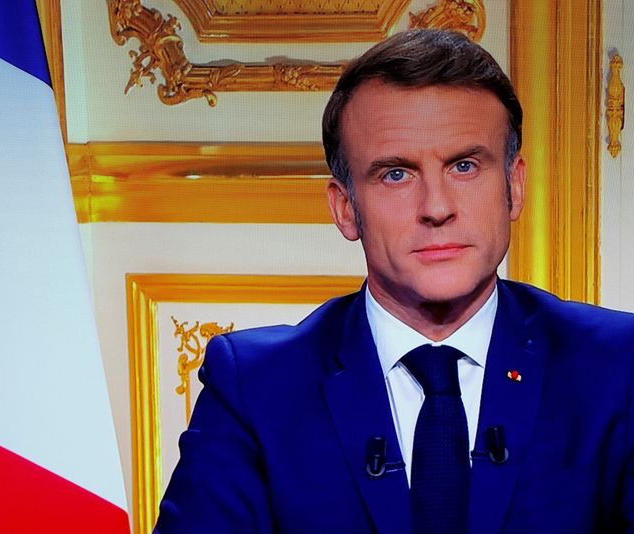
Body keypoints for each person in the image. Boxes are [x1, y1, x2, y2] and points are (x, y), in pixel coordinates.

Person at [154, 29, 634, 533]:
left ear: (513, 187)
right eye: (396, 175)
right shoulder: (254, 388)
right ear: (345, 209)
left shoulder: (616, 369)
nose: (437, 208)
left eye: (465, 166)